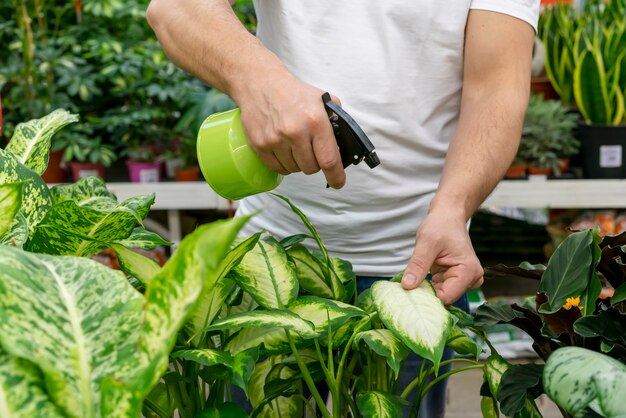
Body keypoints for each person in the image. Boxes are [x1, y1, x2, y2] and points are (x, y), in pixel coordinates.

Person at [147, 1, 539, 416]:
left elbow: (497, 87)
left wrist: (454, 209)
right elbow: (174, 8)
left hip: (416, 275)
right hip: (270, 268)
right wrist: (262, 81)